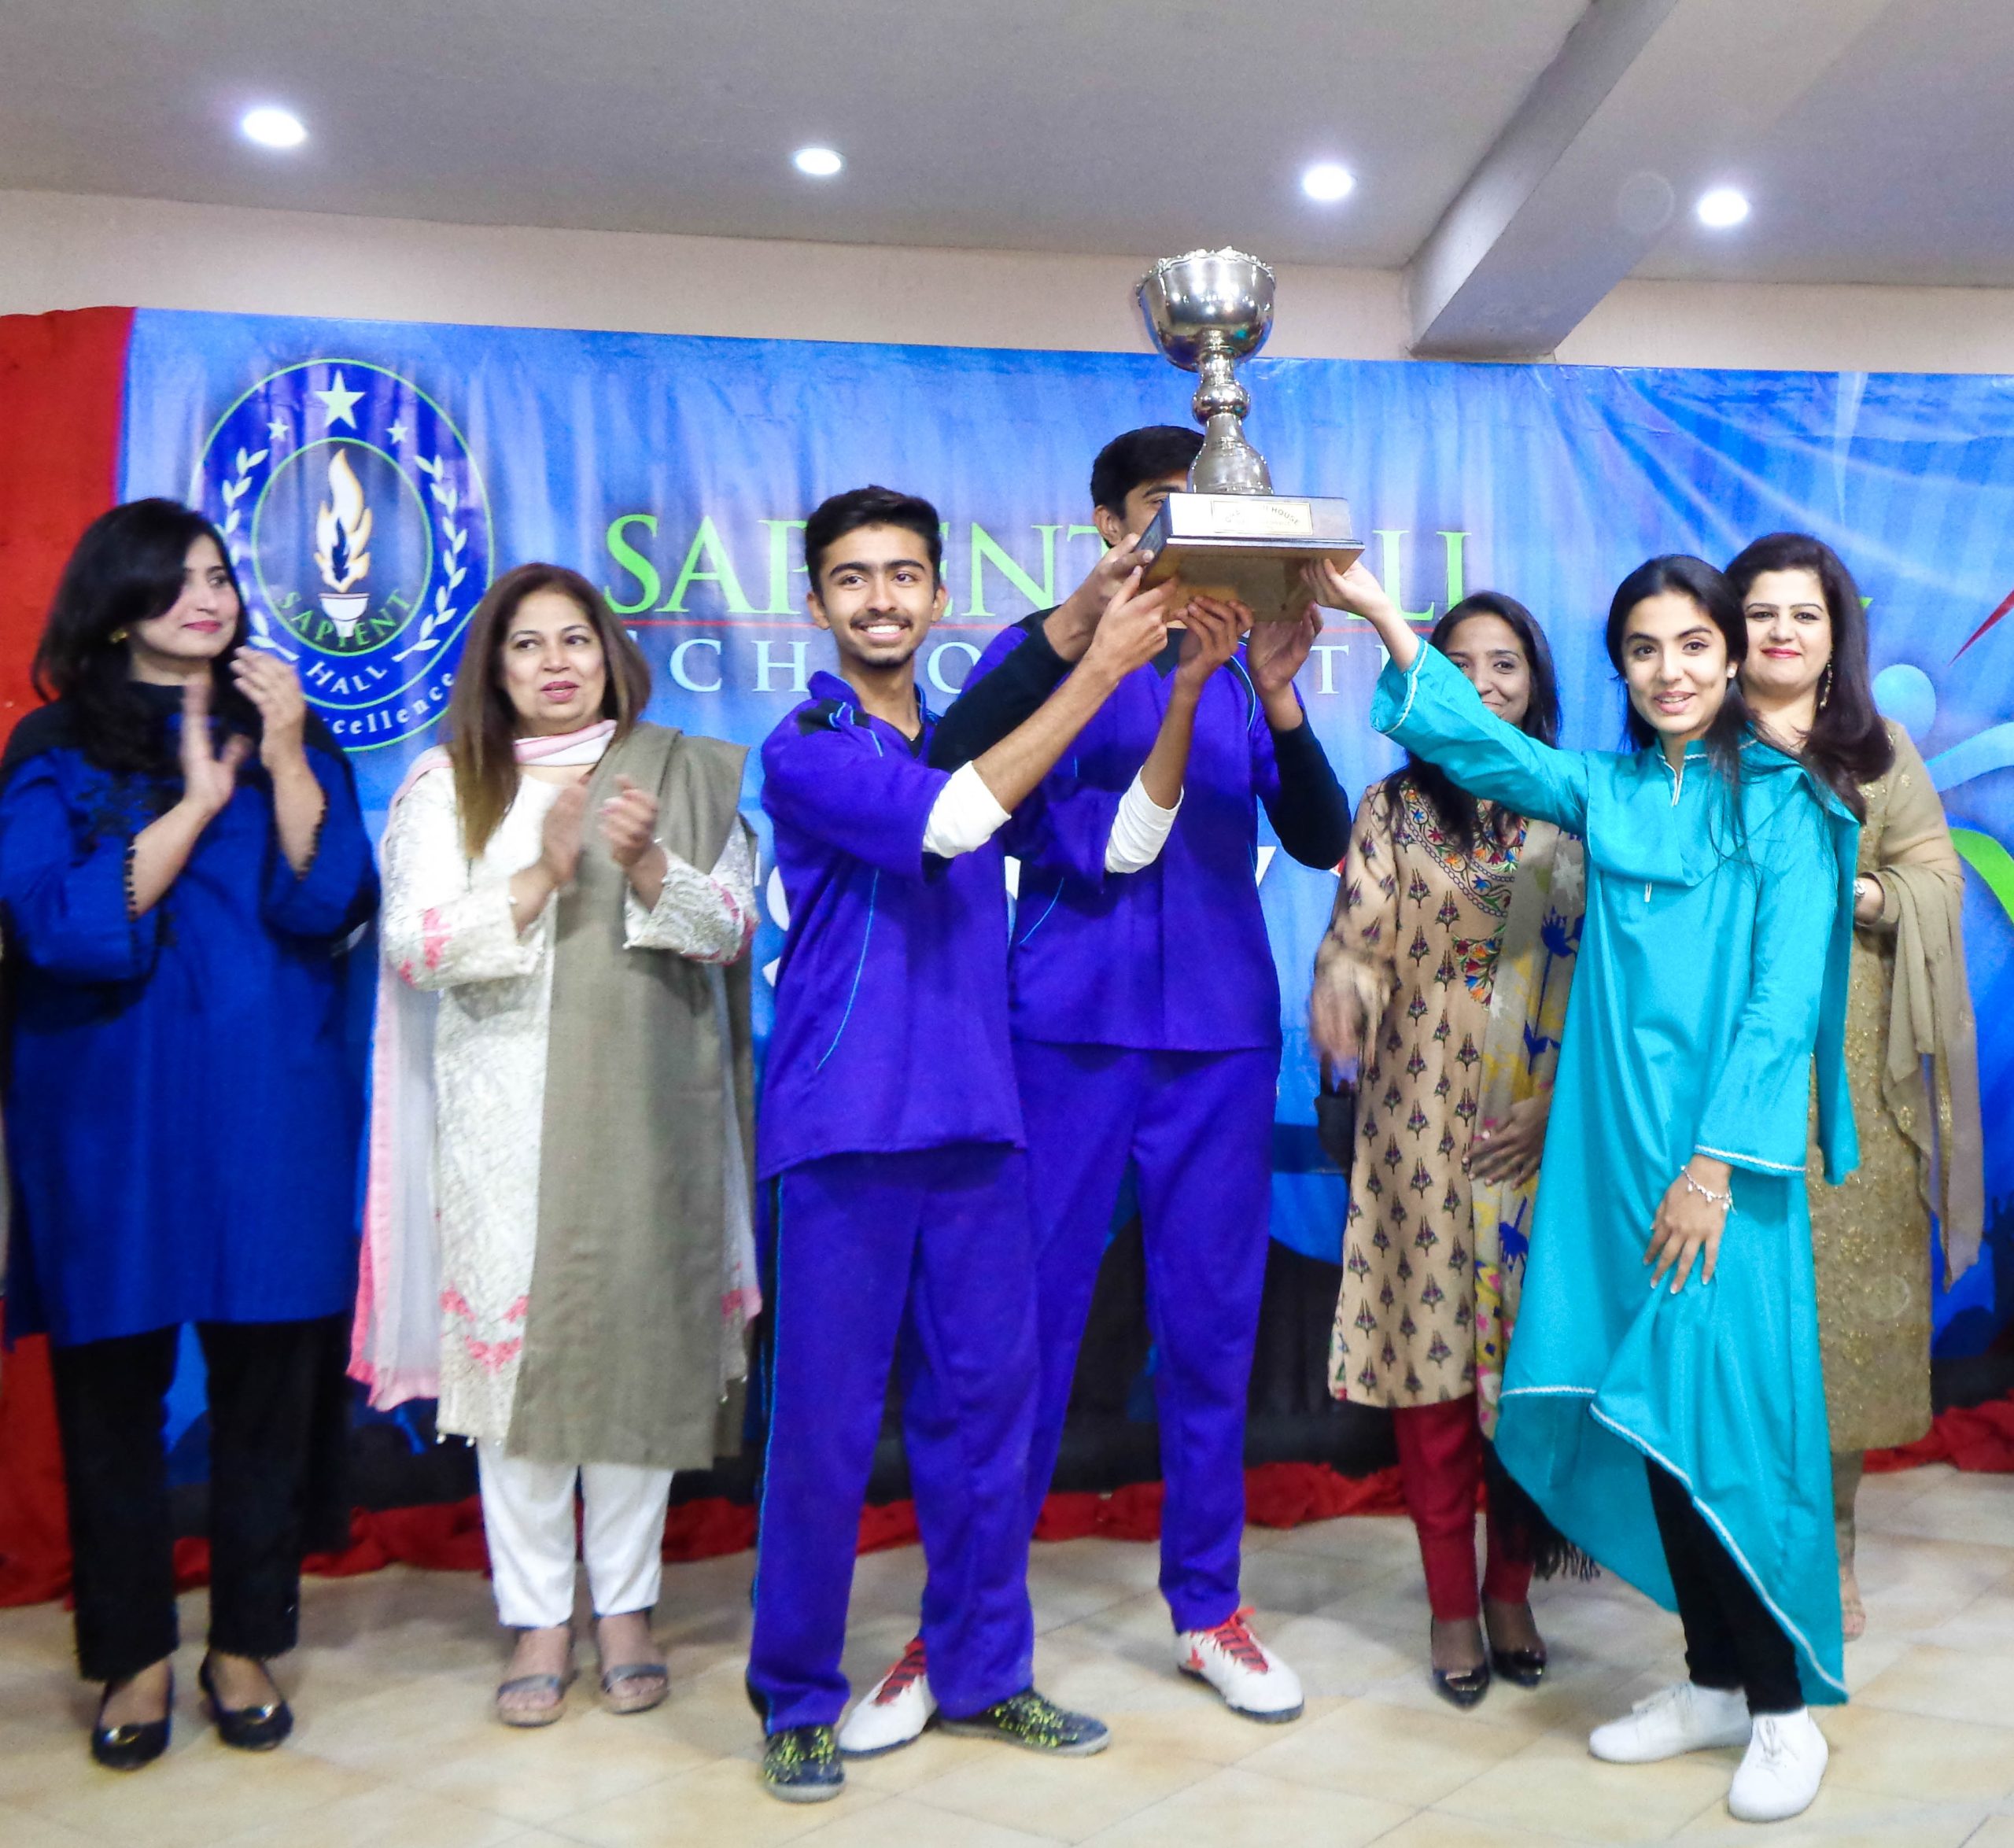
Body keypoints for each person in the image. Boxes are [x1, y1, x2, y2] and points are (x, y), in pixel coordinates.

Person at [1310, 551, 1857, 1825]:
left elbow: (1781, 1008)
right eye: (1644, 649)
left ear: (1734, 656)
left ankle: (1783, 1709)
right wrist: (1380, 610)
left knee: (1730, 1427)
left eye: (1695, 645)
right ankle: (1712, 1678)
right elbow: (1484, 748)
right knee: (1649, 1419)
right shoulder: (1602, 791)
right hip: (1610, 1160)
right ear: (1620, 665)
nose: (1671, 671)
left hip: (1723, 1176)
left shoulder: (1789, 808)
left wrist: (1715, 1167)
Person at [844, 426, 1350, 1746]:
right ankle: (958, 1623)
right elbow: (948, 766)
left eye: (1205, 508)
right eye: (1160, 510)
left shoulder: (1237, 663)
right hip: (1064, 1031)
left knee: (1213, 1332)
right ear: (1112, 527)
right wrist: (1090, 644)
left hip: (1220, 1042)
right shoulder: (1057, 650)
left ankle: (1208, 1605)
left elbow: (1321, 835)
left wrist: (1279, 697)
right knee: (1013, 1339)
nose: (1186, 532)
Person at [747, 485, 1218, 1801]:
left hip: (980, 1122)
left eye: (904, 574)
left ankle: (983, 1670)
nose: (881, 598)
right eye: (853, 577)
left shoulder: (974, 735)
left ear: (939, 595)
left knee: (987, 1420)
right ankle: (797, 1697)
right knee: (825, 1431)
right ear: (816, 602)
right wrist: (1095, 664)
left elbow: (1118, 845)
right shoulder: (808, 741)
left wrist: (1177, 687)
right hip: (845, 1130)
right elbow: (948, 814)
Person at [0, 500, 378, 1769]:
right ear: (118, 608)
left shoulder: (289, 726)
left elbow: (327, 900)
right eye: (175, 581)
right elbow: (57, 923)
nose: (207, 597)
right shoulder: (55, 743)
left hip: (271, 1105)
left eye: (218, 574)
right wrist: (194, 802)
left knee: (268, 1388)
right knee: (111, 1393)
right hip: (111, 1112)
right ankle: (133, 1654)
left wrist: (285, 758)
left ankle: (246, 1641)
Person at [354, 563, 758, 1726]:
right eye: (526, 644)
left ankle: (625, 1604)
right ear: (495, 669)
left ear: (610, 652)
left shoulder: (675, 773)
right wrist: (542, 871)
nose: (555, 663)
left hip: (646, 1114)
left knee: (631, 1365)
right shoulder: (448, 786)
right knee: (519, 1385)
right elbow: (417, 945)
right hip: (505, 1126)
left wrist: (644, 864)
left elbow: (730, 929)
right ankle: (537, 1613)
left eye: (574, 638)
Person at [1309, 592, 1583, 1706]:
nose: (1481, 682)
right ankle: (1450, 1606)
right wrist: (1340, 986)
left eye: (1504, 663)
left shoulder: (1578, 807)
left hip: (1547, 1133)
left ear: (1537, 684)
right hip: (1419, 1130)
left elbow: (1618, 980)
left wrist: (1562, 1101)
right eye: (1458, 663)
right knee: (1431, 1379)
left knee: (1532, 1376)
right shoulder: (1391, 810)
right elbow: (1359, 942)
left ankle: (1512, 1588)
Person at [1728, 532, 1983, 1640]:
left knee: (1839, 1325)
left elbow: (1936, 877)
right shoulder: (1698, 738)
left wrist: (1864, 895)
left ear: (1837, 635)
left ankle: (1830, 1546)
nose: (1783, 632)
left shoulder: (1879, 751)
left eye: (1806, 614)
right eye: (1762, 613)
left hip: (1850, 1084)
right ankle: (1731, 1548)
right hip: (1722, 1075)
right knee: (1730, 1322)